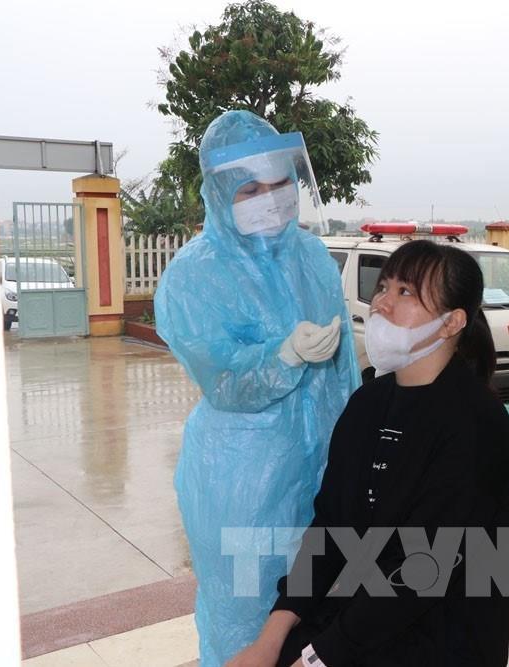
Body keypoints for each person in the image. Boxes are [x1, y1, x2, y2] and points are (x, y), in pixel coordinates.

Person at [228, 240, 509, 667]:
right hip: (359, 620)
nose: (382, 302)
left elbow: (424, 571)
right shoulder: (368, 403)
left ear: (452, 322)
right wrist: (271, 637)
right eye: (383, 287)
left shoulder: (477, 424)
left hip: (441, 637)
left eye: (405, 292)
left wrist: (315, 659)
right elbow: (329, 528)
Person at [154, 110, 361, 666]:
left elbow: (343, 369)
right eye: (251, 189)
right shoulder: (194, 275)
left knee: (319, 612)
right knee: (245, 625)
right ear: (221, 194)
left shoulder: (312, 257)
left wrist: (354, 441)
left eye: (279, 183)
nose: (270, 199)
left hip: (322, 474)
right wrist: (283, 354)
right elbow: (223, 379)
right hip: (242, 485)